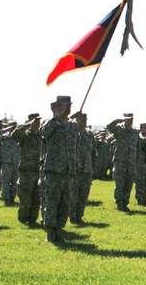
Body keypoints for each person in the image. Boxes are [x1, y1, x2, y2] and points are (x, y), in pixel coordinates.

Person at [41, 96, 77, 242]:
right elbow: (44, 133)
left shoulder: (72, 125)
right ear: (57, 106)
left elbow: (75, 145)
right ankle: (50, 232)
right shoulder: (51, 123)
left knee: (65, 202)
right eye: (64, 105)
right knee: (52, 201)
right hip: (54, 169)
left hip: (68, 170)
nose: (68, 108)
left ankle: (59, 230)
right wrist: (55, 116)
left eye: (69, 105)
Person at [12, 113, 43, 225]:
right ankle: (23, 218)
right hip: (26, 170)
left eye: (39, 120)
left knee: (36, 197)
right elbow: (14, 136)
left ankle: (33, 219)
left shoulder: (41, 135)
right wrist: (27, 125)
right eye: (35, 120)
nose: (38, 123)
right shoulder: (25, 135)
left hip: (38, 170)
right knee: (25, 196)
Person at [107, 113, 139, 211]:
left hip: (131, 161)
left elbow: (137, 146)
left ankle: (125, 202)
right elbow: (109, 127)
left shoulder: (134, 131)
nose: (130, 120)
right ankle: (119, 203)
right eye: (128, 119)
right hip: (120, 161)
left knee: (128, 183)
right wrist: (119, 120)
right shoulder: (119, 129)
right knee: (120, 183)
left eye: (131, 119)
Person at [71, 112, 94, 224]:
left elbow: (92, 151)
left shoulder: (90, 134)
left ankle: (79, 215)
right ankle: (72, 216)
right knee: (73, 194)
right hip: (75, 168)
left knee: (84, 194)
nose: (84, 122)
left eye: (85, 120)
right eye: (81, 120)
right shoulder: (72, 132)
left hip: (87, 168)